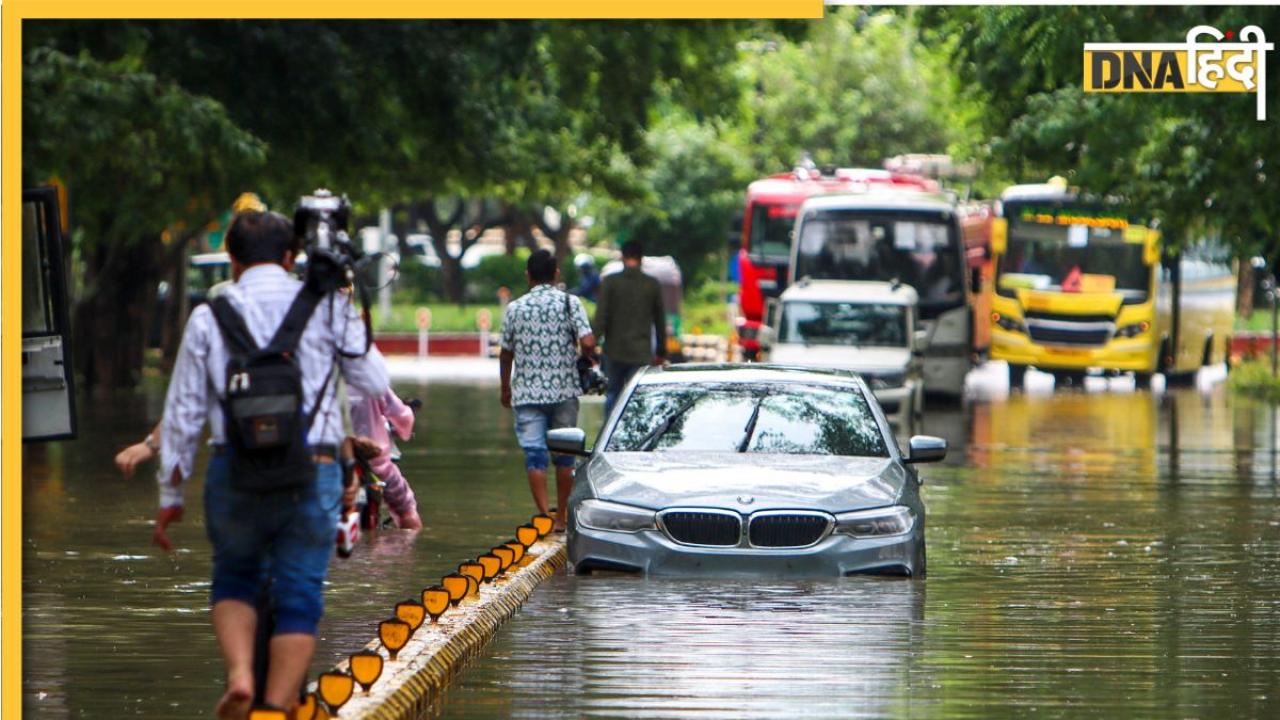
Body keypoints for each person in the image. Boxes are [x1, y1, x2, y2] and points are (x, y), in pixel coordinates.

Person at [154, 210, 388, 719]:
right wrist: (345, 305)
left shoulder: (207, 317)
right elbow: (371, 379)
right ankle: (276, 708)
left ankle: (240, 674)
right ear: (291, 258)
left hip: (232, 468)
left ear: (233, 262)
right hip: (314, 468)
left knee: (234, 577)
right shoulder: (327, 306)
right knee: (300, 590)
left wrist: (170, 499)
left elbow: (183, 416)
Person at [499, 249, 596, 532]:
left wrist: (505, 389)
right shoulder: (570, 302)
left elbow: (506, 354)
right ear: (556, 275)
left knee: (534, 455)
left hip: (527, 394)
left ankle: (543, 514)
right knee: (565, 456)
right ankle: (561, 520)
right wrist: (584, 355)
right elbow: (588, 342)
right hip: (564, 391)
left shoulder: (515, 308)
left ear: (528, 276)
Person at [592, 240, 667, 416]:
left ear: (622, 257)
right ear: (641, 259)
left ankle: (609, 438)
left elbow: (601, 317)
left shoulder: (610, 282)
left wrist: (592, 344)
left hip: (614, 351)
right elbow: (659, 320)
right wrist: (662, 351)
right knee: (639, 397)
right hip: (640, 352)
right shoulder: (652, 284)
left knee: (613, 394)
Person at [348, 387, 422, 529]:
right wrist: (403, 430)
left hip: (329, 457)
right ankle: (413, 544)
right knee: (405, 506)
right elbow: (402, 414)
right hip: (375, 459)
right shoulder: (370, 382)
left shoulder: (319, 378)